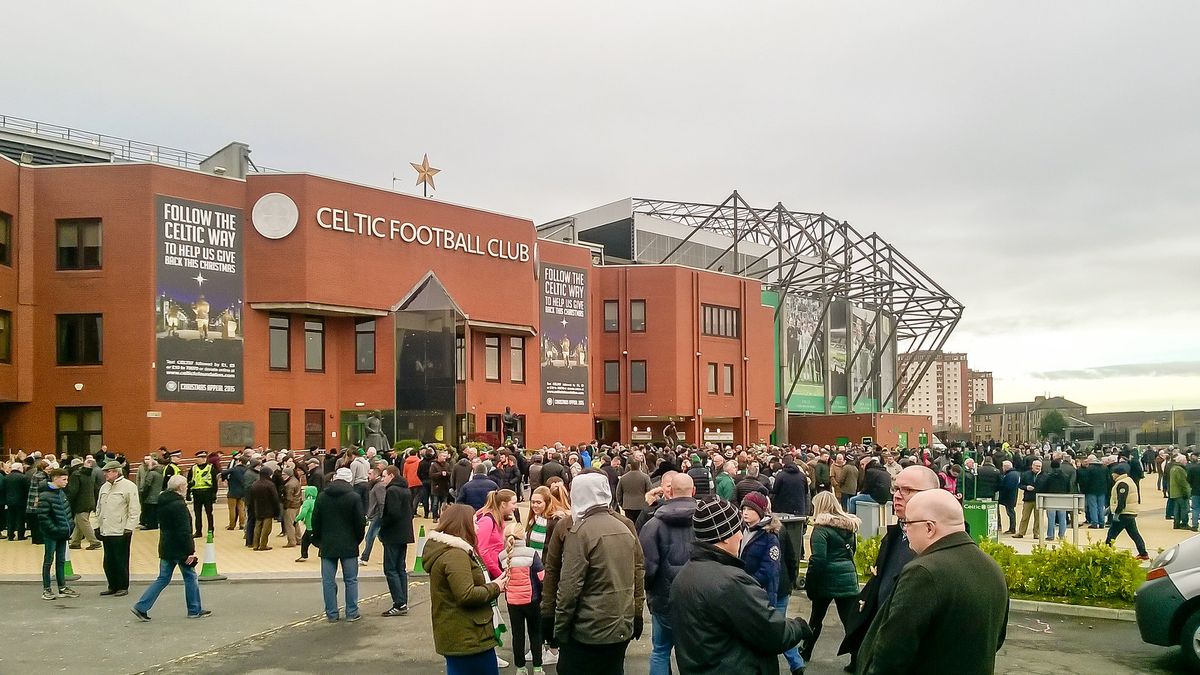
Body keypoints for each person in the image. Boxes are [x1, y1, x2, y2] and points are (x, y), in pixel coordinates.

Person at [856, 489, 1009, 674]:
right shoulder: (991, 567)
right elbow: (997, 639)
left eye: (907, 523)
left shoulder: (923, 572)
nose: (905, 530)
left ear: (929, 527)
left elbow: (892, 651)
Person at [670, 496, 809, 674]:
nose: (741, 535)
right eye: (737, 530)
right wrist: (798, 627)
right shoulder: (729, 582)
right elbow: (771, 633)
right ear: (725, 537)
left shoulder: (685, 575)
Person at [839, 465, 939, 667]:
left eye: (908, 490)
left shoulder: (940, 544)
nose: (897, 496)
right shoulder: (895, 535)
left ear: (933, 495)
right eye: (896, 489)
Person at [555, 472, 645, 674]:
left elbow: (569, 587)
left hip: (589, 628)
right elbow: (638, 572)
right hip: (621, 623)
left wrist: (560, 628)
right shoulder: (624, 526)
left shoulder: (581, 531)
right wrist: (636, 613)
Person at [426, 503, 509, 675]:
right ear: (462, 525)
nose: (477, 527)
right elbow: (466, 594)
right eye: (474, 522)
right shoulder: (455, 555)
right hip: (468, 636)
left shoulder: (448, 551)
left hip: (461, 635)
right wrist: (495, 587)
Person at [740, 491, 805, 675]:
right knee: (776, 630)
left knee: (776, 631)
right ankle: (796, 663)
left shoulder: (771, 534)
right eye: (743, 508)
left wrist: (791, 580)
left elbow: (773, 567)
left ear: (760, 511)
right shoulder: (744, 530)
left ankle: (795, 664)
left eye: (749, 509)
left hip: (772, 590)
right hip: (750, 590)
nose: (745, 512)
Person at [639, 472, 697, 675]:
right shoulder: (706, 520)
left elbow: (647, 567)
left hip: (664, 598)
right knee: (695, 652)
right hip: (698, 599)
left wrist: (650, 591)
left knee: (661, 651)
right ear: (694, 491)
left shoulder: (653, 525)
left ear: (669, 492)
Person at [130, 475, 209, 620]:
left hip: (166, 545)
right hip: (180, 548)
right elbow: (184, 530)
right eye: (185, 485)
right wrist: (189, 551)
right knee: (190, 577)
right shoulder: (179, 505)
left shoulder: (163, 501)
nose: (187, 488)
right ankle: (194, 609)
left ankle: (141, 606)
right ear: (180, 488)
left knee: (163, 578)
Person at [798, 490, 861, 666]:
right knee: (849, 620)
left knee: (816, 618)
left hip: (826, 578)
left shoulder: (821, 529)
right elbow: (852, 551)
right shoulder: (849, 527)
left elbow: (818, 559)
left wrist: (810, 583)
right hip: (847, 575)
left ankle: (806, 651)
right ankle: (857, 657)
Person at [312, 467, 366, 622]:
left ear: (335, 478)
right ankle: (352, 612)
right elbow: (360, 523)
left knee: (328, 581)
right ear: (349, 480)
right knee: (351, 580)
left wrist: (318, 541)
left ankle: (332, 613)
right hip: (349, 543)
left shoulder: (322, 496)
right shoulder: (354, 497)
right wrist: (357, 540)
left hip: (328, 543)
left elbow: (315, 521)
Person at [504, 522, 546, 673]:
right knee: (535, 633)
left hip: (513, 602)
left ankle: (520, 667)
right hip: (532, 599)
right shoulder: (531, 553)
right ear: (523, 536)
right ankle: (537, 667)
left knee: (517, 634)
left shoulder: (503, 556)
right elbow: (541, 576)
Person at [96, 460, 140, 597]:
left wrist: (129, 527)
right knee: (108, 560)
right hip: (106, 529)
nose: (105, 474)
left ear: (116, 472)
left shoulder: (129, 486)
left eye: (108, 472)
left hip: (121, 529)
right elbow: (99, 508)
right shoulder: (104, 487)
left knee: (120, 559)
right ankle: (112, 585)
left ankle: (122, 586)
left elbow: (134, 509)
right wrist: (97, 526)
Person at [36, 469, 78, 601]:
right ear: (55, 479)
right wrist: (54, 529)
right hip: (52, 534)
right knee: (48, 560)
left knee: (60, 560)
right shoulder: (45, 495)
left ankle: (62, 587)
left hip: (63, 532)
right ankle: (46, 589)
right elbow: (43, 517)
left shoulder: (61, 493)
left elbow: (66, 512)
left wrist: (69, 526)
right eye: (64, 479)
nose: (66, 482)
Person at [379, 466, 414, 616]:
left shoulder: (392, 491)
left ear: (391, 475)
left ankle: (399, 603)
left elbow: (392, 513)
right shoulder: (405, 489)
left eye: (384, 476)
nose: (382, 479)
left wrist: (382, 524)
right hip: (404, 533)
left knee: (390, 569)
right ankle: (403, 601)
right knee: (400, 568)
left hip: (393, 534)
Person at [1105, 464, 1150, 560]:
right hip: (1129, 513)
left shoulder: (1122, 484)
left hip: (1123, 514)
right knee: (1134, 534)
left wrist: (1117, 513)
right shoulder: (1128, 481)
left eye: (1113, 474)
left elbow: (1122, 500)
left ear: (1118, 474)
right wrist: (1110, 508)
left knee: (1112, 534)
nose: (1112, 475)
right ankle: (1143, 553)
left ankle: (1105, 551)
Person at [475, 488, 517, 580]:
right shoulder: (487, 520)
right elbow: (482, 550)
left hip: (495, 565)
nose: (515, 507)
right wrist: (498, 573)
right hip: (488, 570)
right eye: (513, 503)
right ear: (503, 504)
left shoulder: (499, 518)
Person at [65, 459, 101, 550]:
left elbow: (73, 491)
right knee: (79, 522)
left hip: (80, 502)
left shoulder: (76, 475)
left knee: (83, 522)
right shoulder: (89, 474)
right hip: (89, 501)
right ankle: (75, 542)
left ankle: (94, 541)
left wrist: (67, 499)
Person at [248, 467, 280, 551]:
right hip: (269, 509)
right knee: (266, 529)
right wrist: (277, 511)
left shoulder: (255, 484)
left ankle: (255, 545)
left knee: (257, 527)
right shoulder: (270, 484)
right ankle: (263, 545)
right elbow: (275, 498)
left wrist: (252, 508)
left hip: (258, 509)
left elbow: (250, 498)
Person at [1039, 459, 1071, 540]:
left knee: (1051, 518)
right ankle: (1062, 535)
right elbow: (1068, 488)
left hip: (1051, 498)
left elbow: (1044, 488)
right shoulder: (1065, 476)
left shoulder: (1048, 476)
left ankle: (1050, 535)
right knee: (1062, 518)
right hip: (1062, 498)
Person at [186, 452, 217, 537]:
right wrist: (188, 493)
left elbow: (214, 482)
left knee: (209, 513)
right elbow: (189, 481)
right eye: (199, 458)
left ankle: (210, 531)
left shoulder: (210, 468)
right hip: (197, 493)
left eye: (202, 457)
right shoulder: (193, 468)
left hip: (207, 492)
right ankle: (198, 531)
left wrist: (214, 494)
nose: (201, 459)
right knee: (197, 513)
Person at [616, 459, 652, 527]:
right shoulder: (645, 477)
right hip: (641, 505)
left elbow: (618, 493)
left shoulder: (623, 478)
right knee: (640, 526)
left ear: (630, 466)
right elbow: (649, 491)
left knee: (630, 525)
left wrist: (622, 504)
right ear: (640, 466)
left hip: (628, 505)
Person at [1077, 456, 1109, 529]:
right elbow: (1108, 479)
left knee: (1093, 507)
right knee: (1101, 507)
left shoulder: (1089, 469)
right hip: (1102, 490)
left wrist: (1084, 490)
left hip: (1091, 491)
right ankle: (1102, 522)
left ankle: (1094, 522)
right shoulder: (1104, 468)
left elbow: (1086, 481)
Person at [1014, 459, 1042, 538]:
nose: (1038, 468)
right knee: (1025, 517)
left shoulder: (1044, 475)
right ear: (1032, 466)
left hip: (1039, 499)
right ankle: (1021, 532)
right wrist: (1026, 487)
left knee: (1038, 518)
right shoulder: (1025, 474)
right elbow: (1020, 485)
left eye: (1039, 466)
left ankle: (1036, 533)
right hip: (1028, 499)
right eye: (1036, 466)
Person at [294, 485, 318, 562]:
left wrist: (296, 519)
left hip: (310, 526)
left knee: (308, 541)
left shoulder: (307, 502)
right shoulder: (317, 501)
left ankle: (304, 556)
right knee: (308, 540)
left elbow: (303, 513)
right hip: (317, 525)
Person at [1169, 454, 1193, 531]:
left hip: (1174, 492)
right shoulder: (1180, 469)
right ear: (1181, 461)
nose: (1186, 461)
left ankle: (1176, 523)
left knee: (1177, 509)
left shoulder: (1173, 468)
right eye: (1185, 460)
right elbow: (1183, 482)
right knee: (1184, 508)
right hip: (1180, 492)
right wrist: (1186, 492)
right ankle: (1184, 523)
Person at [5, 463, 29, 540]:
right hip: (21, 501)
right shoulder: (23, 477)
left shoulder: (6, 477)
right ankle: (20, 535)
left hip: (9, 501)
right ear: (19, 468)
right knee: (20, 518)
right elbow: (26, 489)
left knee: (11, 518)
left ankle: (10, 535)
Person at [281, 467, 303, 548]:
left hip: (291, 506)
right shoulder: (295, 481)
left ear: (288, 475)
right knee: (295, 523)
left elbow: (289, 498)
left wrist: (285, 506)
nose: (282, 476)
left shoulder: (288, 484)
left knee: (289, 524)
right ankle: (299, 539)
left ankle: (291, 541)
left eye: (284, 474)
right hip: (297, 505)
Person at [998, 460, 1021, 533]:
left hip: (1009, 497)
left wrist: (1001, 488)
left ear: (1005, 467)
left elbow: (1008, 487)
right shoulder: (1015, 474)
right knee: (1011, 512)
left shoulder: (1010, 475)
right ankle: (1012, 528)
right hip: (1012, 496)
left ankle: (1012, 528)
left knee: (1010, 513)